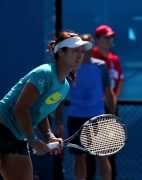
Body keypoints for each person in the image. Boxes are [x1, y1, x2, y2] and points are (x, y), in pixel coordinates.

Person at [0, 31, 92, 180]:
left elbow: (40, 112)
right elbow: (21, 109)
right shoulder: (44, 73)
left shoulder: (65, 86)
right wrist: (33, 140)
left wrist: (49, 136)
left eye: (82, 51)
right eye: (75, 50)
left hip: (17, 137)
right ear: (61, 53)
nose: (80, 55)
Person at [60, 34, 116, 180]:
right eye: (81, 47)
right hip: (75, 119)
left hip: (97, 118)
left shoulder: (101, 67)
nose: (84, 50)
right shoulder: (69, 68)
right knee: (79, 158)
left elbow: (109, 94)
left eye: (87, 46)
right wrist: (59, 123)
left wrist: (112, 116)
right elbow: (59, 97)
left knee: (102, 156)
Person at [92, 24, 124, 180]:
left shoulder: (115, 59)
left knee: (110, 149)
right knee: (92, 150)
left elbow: (119, 81)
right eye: (107, 37)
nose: (110, 40)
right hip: (94, 108)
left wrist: (113, 100)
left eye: (112, 37)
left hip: (110, 108)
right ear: (97, 39)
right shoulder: (91, 57)